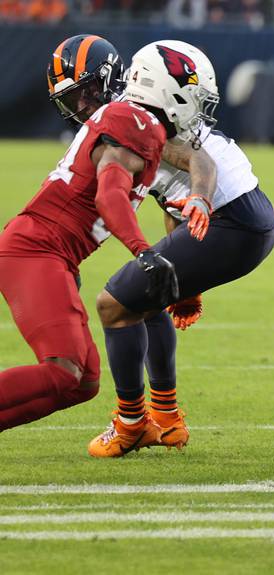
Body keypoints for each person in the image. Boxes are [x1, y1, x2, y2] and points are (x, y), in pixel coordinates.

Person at [84, 40, 274, 458]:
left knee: (112, 304)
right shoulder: (141, 118)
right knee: (145, 300)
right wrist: (181, 271)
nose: (199, 108)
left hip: (231, 221)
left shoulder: (139, 121)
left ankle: (132, 424)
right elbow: (168, 198)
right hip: (244, 221)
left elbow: (198, 165)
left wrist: (200, 204)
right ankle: (167, 420)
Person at [0, 40, 180, 433]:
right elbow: (109, 193)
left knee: (83, 384)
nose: (82, 107)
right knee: (64, 371)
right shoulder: (127, 119)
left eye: (87, 94)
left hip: (48, 253)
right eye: (73, 99)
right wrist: (143, 252)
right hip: (37, 250)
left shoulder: (130, 122)